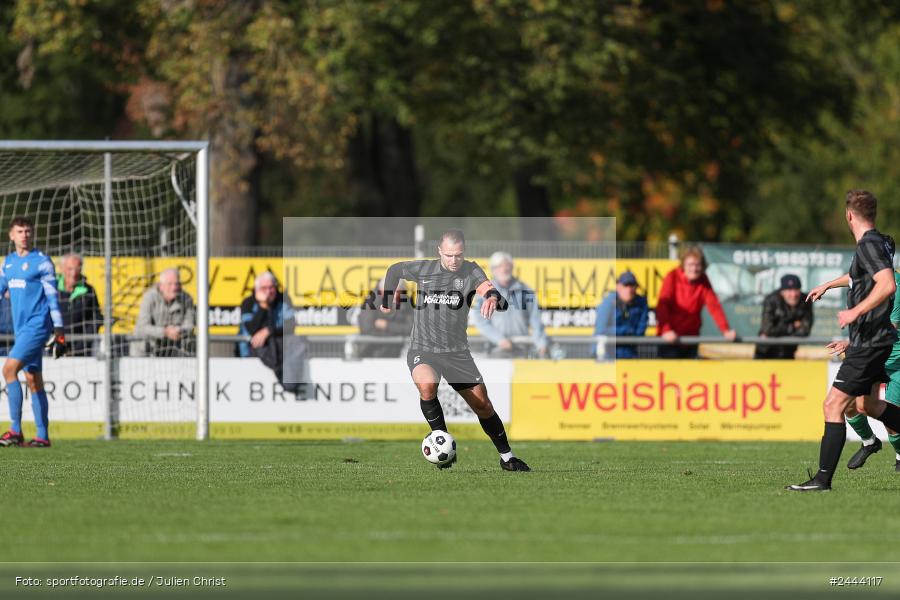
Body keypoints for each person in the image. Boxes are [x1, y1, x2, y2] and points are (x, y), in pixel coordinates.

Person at [379, 229, 530, 471]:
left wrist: (491, 298)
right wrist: (387, 296)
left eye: (458, 255)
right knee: (427, 387)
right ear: (440, 251)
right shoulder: (425, 269)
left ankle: (507, 458)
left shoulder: (471, 270)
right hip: (424, 349)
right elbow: (395, 269)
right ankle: (442, 441)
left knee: (483, 405)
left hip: (457, 353)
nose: (453, 260)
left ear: (464, 252)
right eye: (449, 255)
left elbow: (490, 292)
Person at [787, 189, 900, 491]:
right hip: (876, 340)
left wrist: (855, 312)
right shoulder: (874, 244)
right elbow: (859, 278)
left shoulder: (868, 244)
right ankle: (825, 477)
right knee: (868, 405)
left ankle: (822, 479)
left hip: (870, 342)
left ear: (849, 215)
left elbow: (887, 284)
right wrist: (827, 284)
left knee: (832, 405)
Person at [0, 217, 67, 448]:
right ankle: (42, 436)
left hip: (37, 327)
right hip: (21, 329)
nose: (24, 235)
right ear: (11, 235)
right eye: (20, 231)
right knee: (33, 379)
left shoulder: (42, 262)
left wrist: (59, 331)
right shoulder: (7, 263)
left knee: (8, 369)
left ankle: (15, 430)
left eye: (28, 231)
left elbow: (53, 298)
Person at [839, 266, 900, 473]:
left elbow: (889, 326)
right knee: (848, 404)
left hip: (896, 361)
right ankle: (869, 441)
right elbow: (850, 278)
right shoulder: (868, 282)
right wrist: (826, 285)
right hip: (874, 356)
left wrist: (850, 343)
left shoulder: (894, 285)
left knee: (889, 415)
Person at [655, 246, 737, 358]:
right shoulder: (672, 277)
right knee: (670, 374)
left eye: (697, 265)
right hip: (670, 340)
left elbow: (714, 306)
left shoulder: (703, 280)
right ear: (683, 265)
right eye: (690, 265)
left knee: (691, 374)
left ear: (702, 266)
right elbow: (663, 305)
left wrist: (726, 330)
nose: (694, 269)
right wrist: (666, 330)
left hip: (691, 339)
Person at [471, 251, 548, 358]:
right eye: (499, 266)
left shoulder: (525, 290)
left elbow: (536, 320)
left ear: (511, 267)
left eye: (507, 265)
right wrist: (500, 340)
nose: (504, 269)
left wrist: (541, 344)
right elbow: (481, 322)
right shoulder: (485, 292)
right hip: (496, 350)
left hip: (522, 349)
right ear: (493, 270)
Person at [238, 272, 305, 392]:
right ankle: (285, 378)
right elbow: (252, 330)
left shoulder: (283, 300)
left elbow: (291, 325)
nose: (268, 292)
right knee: (263, 343)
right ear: (257, 289)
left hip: (280, 347)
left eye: (271, 287)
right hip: (254, 350)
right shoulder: (248, 303)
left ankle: (289, 381)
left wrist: (269, 331)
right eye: (264, 288)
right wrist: (264, 306)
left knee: (297, 341)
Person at [132, 268, 195, 357]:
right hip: (145, 351)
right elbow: (143, 327)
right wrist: (165, 332)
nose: (174, 288)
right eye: (169, 284)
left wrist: (178, 330)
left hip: (174, 349)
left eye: (176, 284)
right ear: (161, 286)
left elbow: (190, 325)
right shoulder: (149, 297)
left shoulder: (187, 298)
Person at [754, 274, 814, 360]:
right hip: (765, 352)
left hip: (788, 352)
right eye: (789, 290)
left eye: (796, 290)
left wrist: (777, 330)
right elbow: (767, 329)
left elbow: (805, 331)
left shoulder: (806, 301)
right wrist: (793, 326)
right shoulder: (771, 300)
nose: (793, 294)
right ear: (782, 291)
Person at [593, 271, 649, 359]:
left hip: (630, 353)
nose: (629, 290)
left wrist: (627, 334)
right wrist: (626, 331)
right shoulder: (608, 302)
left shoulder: (641, 303)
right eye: (626, 286)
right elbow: (601, 330)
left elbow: (640, 332)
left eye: (632, 286)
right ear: (618, 287)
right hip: (607, 354)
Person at [57, 253, 103, 357]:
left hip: (81, 351)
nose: (73, 273)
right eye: (70, 269)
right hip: (53, 347)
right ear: (62, 269)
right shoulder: (50, 288)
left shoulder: (89, 291)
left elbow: (95, 321)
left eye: (77, 269)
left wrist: (79, 348)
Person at [357, 278, 413, 357]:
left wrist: (387, 326)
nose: (396, 295)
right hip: (371, 352)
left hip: (398, 353)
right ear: (383, 291)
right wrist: (395, 333)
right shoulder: (371, 300)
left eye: (399, 292)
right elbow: (366, 328)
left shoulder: (406, 301)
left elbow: (411, 328)